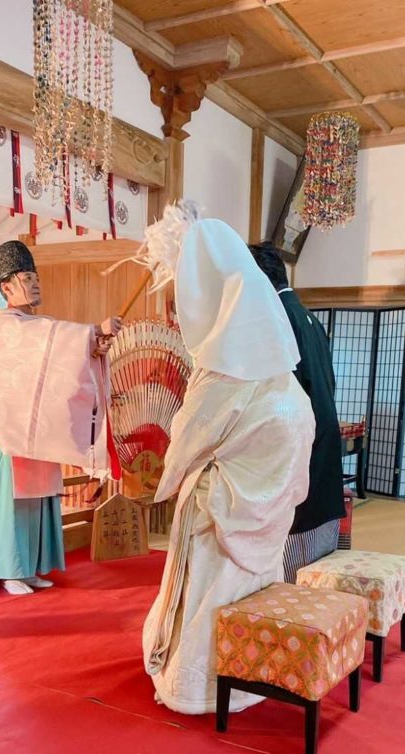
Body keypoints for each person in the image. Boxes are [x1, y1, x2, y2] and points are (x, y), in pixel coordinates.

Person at [143, 217, 316, 715]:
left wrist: (168, 474)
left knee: (209, 598)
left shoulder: (224, 369)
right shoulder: (276, 360)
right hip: (270, 505)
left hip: (220, 510)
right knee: (251, 591)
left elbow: (187, 440)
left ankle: (194, 687)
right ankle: (251, 676)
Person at [0, 240, 122, 594]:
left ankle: (29, 566)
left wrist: (93, 348)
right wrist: (93, 330)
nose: (35, 284)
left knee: (38, 497)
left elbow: (57, 359)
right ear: (6, 288)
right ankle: (8, 569)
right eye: (26, 277)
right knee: (12, 500)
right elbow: (52, 339)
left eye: (35, 277)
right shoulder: (5, 325)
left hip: (36, 427)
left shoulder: (32, 324)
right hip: (9, 430)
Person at [248, 242, 345, 582]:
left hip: (301, 444)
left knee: (291, 568)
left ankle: (295, 622)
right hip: (324, 436)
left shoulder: (277, 319)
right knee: (316, 553)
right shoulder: (308, 317)